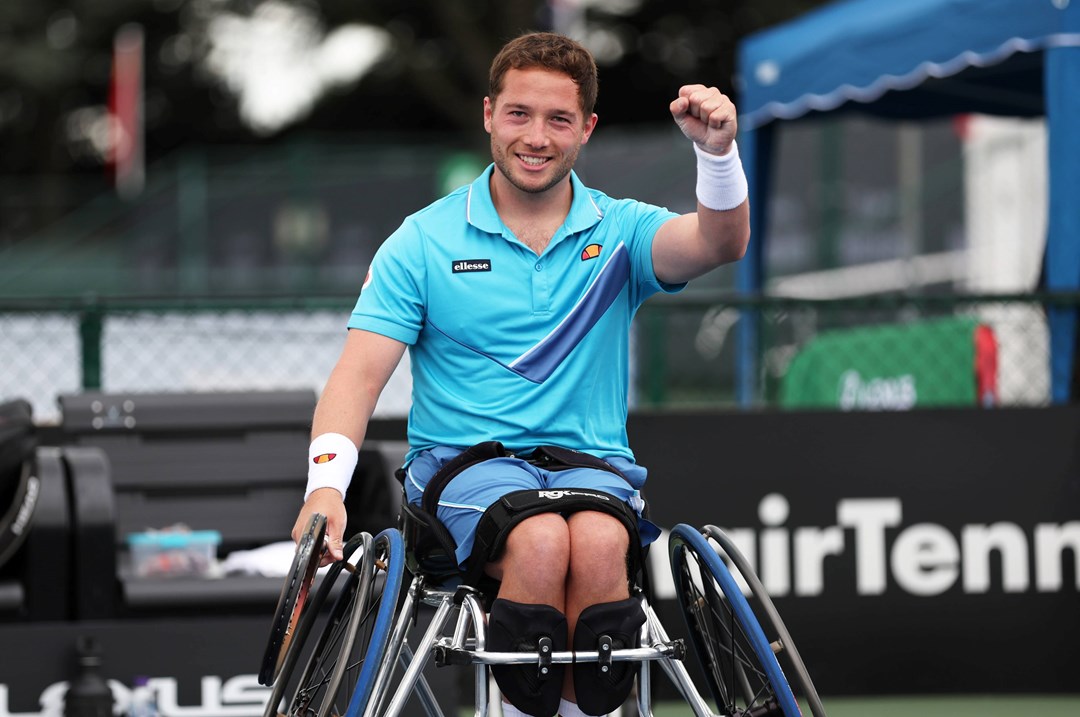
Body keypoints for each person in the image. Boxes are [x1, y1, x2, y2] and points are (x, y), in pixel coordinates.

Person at [292, 31, 749, 717]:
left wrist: (716, 153)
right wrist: (325, 489)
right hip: (463, 469)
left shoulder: (620, 232)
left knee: (598, 540)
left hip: (590, 468)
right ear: (488, 115)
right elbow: (358, 377)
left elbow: (720, 241)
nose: (536, 136)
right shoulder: (420, 242)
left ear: (586, 129)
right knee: (538, 537)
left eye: (559, 119)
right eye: (519, 114)